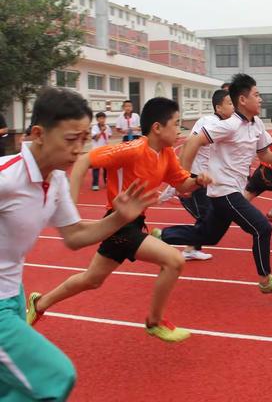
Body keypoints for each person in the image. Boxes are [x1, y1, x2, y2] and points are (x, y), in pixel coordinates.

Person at [0, 87, 156, 401]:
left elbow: (74, 236)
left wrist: (118, 219)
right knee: (56, 377)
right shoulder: (7, 177)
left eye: (84, 139)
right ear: (38, 134)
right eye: (71, 140)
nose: (78, 150)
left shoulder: (55, 179)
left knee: (13, 386)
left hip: (12, 293)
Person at [27, 97, 212, 343]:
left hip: (133, 223)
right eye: (176, 123)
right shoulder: (133, 149)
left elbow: (182, 184)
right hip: (119, 222)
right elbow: (85, 160)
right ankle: (154, 322)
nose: (179, 129)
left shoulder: (166, 154)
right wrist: (70, 207)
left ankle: (40, 303)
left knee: (92, 279)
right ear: (157, 127)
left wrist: (198, 180)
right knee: (174, 260)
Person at [157, 73, 272, 293]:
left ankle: (160, 235)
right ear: (243, 100)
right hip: (224, 190)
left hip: (231, 191)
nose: (260, 99)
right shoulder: (229, 125)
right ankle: (266, 281)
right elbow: (193, 141)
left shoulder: (257, 123)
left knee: (209, 235)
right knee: (262, 228)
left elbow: (264, 155)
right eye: (256, 95)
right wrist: (183, 178)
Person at [154, 89, 235, 261]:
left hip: (205, 180)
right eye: (230, 103)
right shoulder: (209, 122)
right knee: (207, 218)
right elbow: (188, 145)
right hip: (194, 177)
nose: (234, 107)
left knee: (209, 217)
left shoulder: (227, 125)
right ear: (219, 108)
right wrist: (183, 178)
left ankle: (190, 248)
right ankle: (162, 236)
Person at [91, 111, 112, 190]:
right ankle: (95, 184)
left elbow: (109, 136)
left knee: (106, 168)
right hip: (96, 150)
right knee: (96, 168)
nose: (102, 120)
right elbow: (95, 138)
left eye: (103, 118)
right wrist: (102, 131)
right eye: (100, 118)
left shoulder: (108, 127)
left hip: (105, 150)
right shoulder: (94, 127)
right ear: (97, 119)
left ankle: (106, 182)